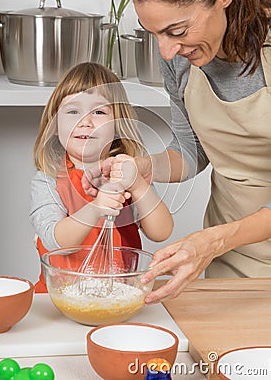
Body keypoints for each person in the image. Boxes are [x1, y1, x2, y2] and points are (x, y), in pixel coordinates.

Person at [83, 0, 271, 303]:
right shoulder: (180, 57)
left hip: (219, 243)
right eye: (154, 33)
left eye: (177, 31)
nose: (167, 51)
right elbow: (191, 150)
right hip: (228, 265)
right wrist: (141, 167)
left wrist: (213, 241)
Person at [30, 62, 173, 292]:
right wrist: (96, 207)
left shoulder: (126, 172)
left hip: (119, 295)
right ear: (55, 124)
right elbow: (57, 242)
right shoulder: (47, 181)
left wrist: (138, 185)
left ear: (118, 124)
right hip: (59, 298)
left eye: (98, 112)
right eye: (73, 111)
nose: (85, 121)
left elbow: (161, 231)